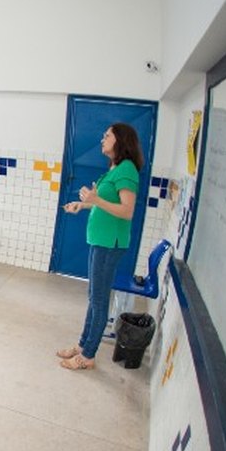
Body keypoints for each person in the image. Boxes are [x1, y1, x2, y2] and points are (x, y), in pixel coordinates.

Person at [58, 123, 142, 371]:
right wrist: (82, 205)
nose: (102, 138)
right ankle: (84, 344)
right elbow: (104, 202)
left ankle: (88, 356)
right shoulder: (114, 168)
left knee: (99, 300)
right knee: (94, 297)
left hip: (110, 244)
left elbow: (127, 212)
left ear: (120, 140)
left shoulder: (127, 170)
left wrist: (94, 200)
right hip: (100, 241)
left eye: (107, 135)